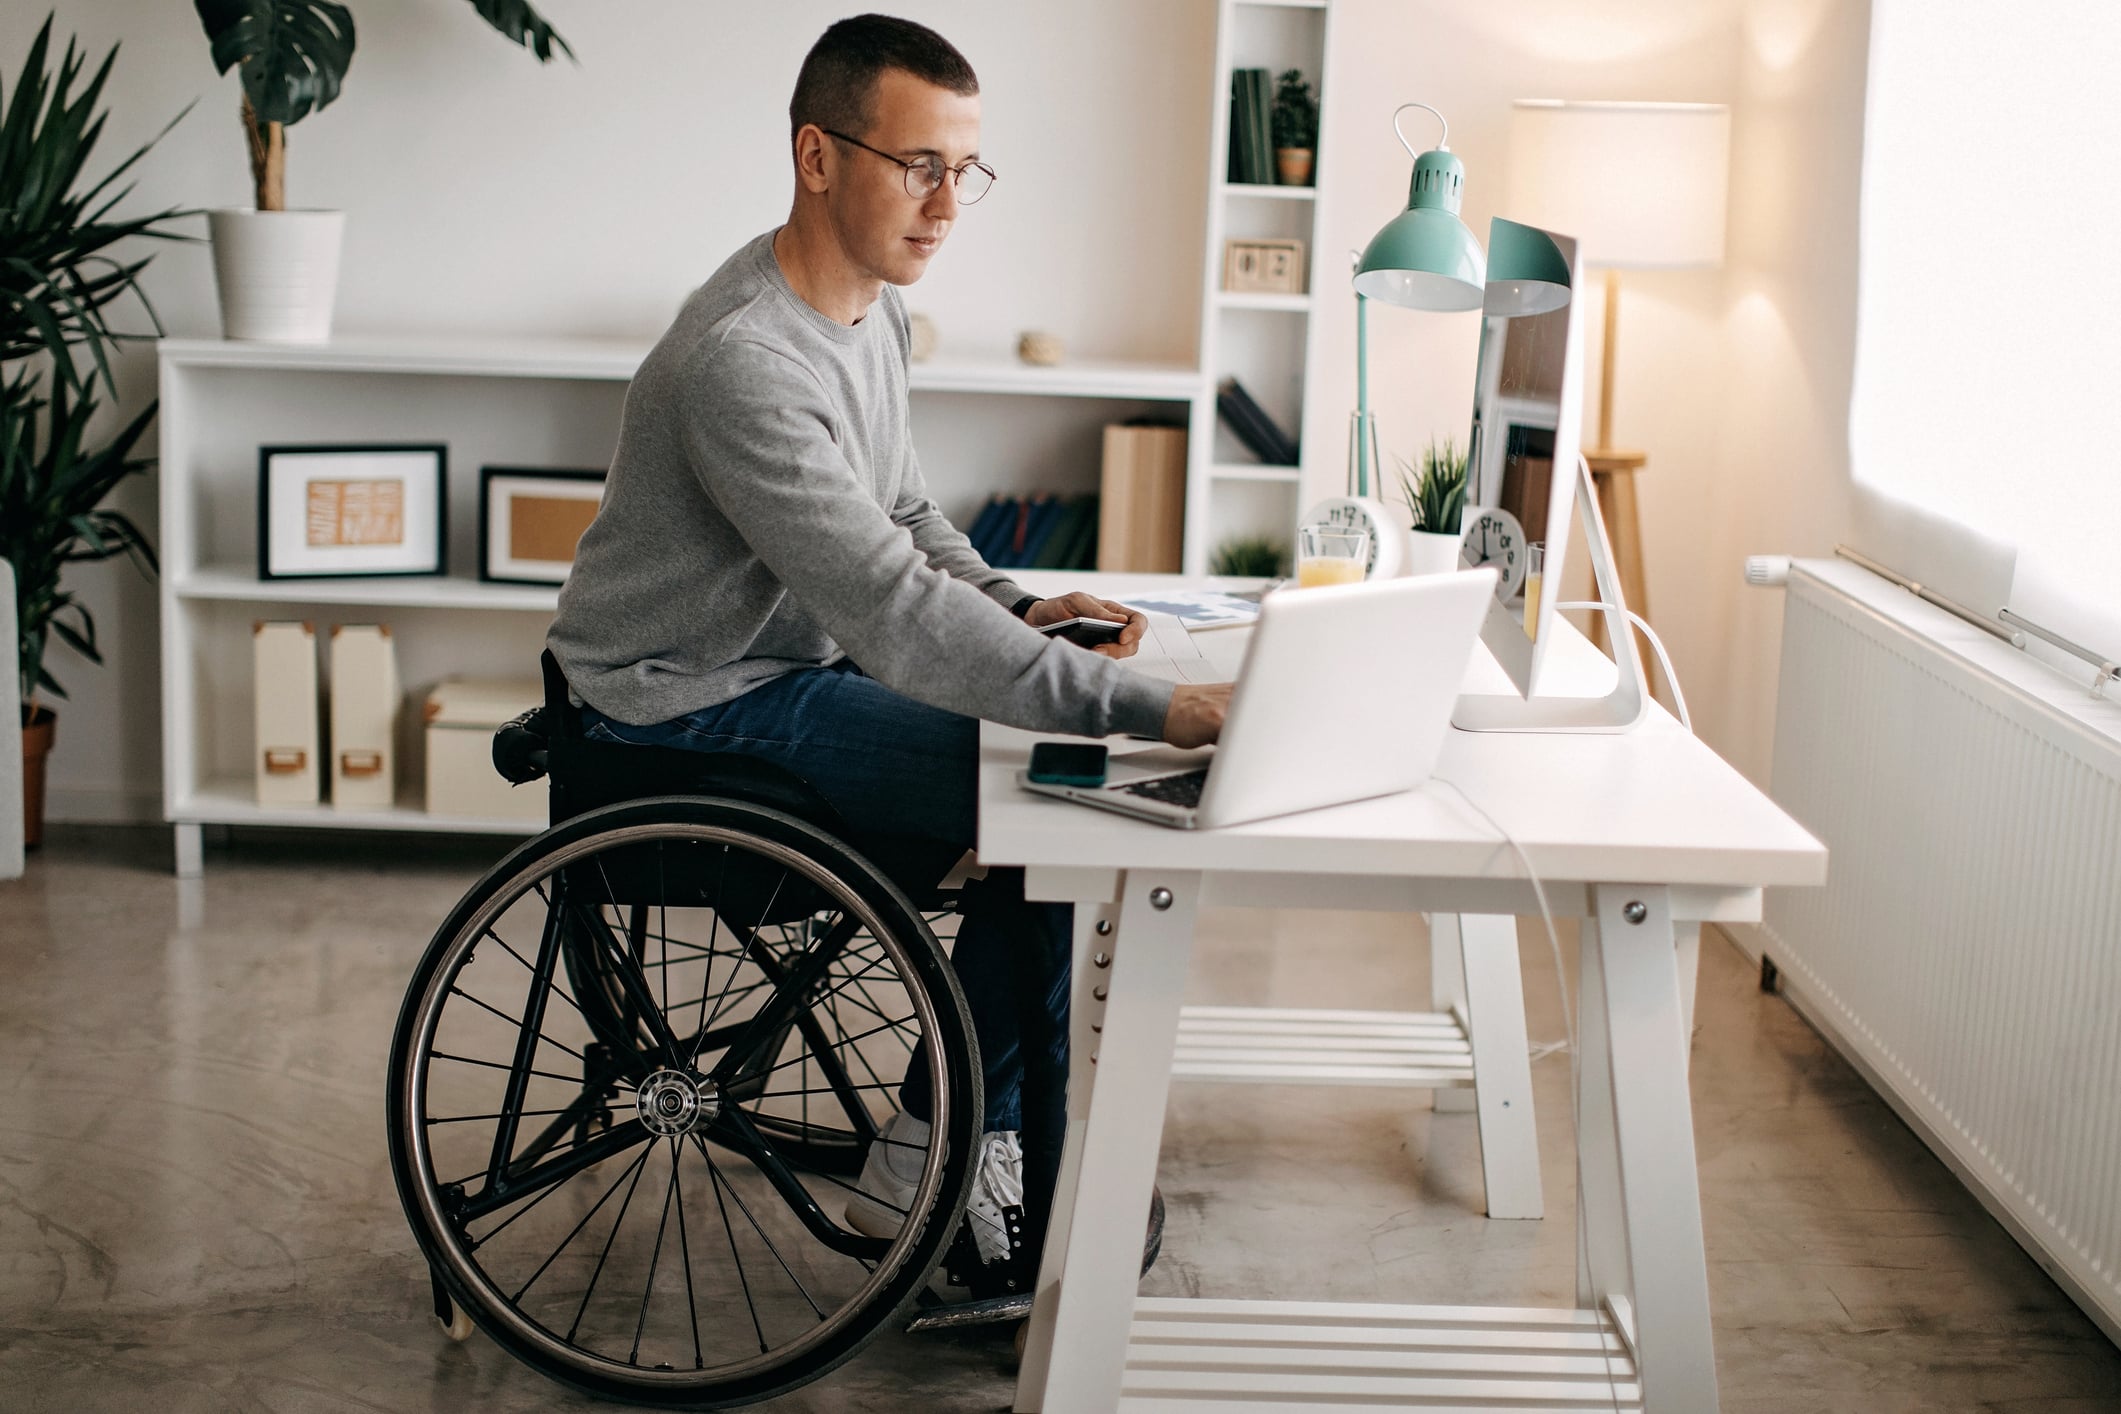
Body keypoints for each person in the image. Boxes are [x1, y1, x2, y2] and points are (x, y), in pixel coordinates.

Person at [547, 13, 1230, 1280]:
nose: (948, 203)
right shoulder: (744, 359)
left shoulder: (871, 315)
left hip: (790, 667)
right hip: (679, 701)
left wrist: (1026, 612)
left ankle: (943, 1146)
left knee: (1055, 786)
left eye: (964, 169)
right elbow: (891, 607)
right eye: (920, 164)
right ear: (818, 155)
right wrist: (1145, 708)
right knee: (1052, 786)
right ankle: (967, 1158)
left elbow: (907, 522)